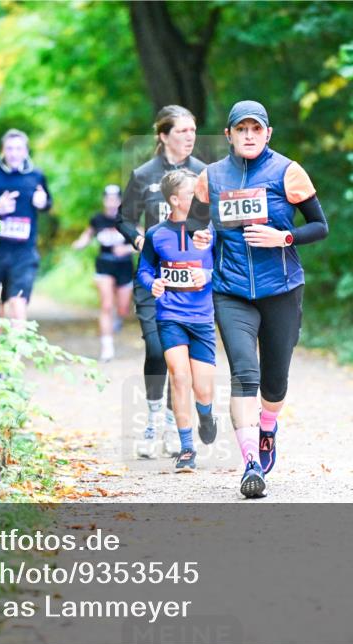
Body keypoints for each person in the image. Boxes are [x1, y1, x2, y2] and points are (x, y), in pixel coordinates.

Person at [191, 100, 329, 498]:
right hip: (230, 290)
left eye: (256, 129)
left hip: (281, 289)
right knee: (244, 373)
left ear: (267, 134)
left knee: (275, 381)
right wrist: (203, 237)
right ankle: (251, 464)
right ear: (228, 135)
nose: (248, 135)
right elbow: (201, 227)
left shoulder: (287, 171)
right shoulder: (212, 177)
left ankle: (268, 427)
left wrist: (283, 237)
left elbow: (320, 226)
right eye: (241, 129)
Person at [118, 105, 207, 458]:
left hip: (190, 281)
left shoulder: (202, 173)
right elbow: (123, 219)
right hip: (154, 276)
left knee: (179, 355)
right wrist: (140, 240)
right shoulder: (143, 174)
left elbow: (211, 220)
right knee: (157, 349)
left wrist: (206, 242)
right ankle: (154, 419)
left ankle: (173, 422)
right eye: (182, 131)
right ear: (163, 135)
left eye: (193, 130)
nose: (190, 136)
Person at [136, 169, 218, 471]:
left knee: (203, 389)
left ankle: (206, 415)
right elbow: (144, 269)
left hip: (202, 318)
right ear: (174, 199)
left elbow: (225, 268)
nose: (198, 197)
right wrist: (151, 284)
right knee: (179, 377)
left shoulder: (209, 231)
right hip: (170, 316)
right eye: (191, 192)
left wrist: (206, 275)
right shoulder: (156, 235)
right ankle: (186, 449)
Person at [0, 129, 52, 326]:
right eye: (9, 149)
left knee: (18, 302)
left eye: (18, 149)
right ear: (3, 151)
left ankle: (16, 355)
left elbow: (48, 202)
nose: (14, 153)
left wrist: (43, 203)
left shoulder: (36, 176)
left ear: (26, 151)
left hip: (24, 252)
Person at [71, 184, 134, 362]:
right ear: (104, 200)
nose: (111, 202)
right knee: (106, 306)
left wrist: (126, 249)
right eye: (108, 199)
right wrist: (80, 243)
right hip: (104, 265)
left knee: (122, 308)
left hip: (124, 267)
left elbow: (143, 242)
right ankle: (107, 348)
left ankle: (117, 318)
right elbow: (87, 235)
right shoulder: (97, 219)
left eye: (115, 199)